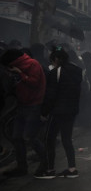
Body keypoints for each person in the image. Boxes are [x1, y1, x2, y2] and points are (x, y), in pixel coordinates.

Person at [0, 48, 47, 178]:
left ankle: (46, 163)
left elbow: (34, 82)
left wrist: (20, 73)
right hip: (22, 105)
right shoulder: (16, 68)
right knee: (16, 137)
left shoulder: (33, 64)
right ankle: (22, 167)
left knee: (30, 136)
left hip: (33, 105)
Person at [38, 47, 82, 179]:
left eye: (53, 61)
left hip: (57, 111)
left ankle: (49, 169)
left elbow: (51, 95)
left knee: (48, 139)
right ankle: (72, 169)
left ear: (57, 59)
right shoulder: (77, 71)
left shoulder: (55, 73)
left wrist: (44, 112)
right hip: (71, 110)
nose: (52, 63)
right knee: (66, 139)